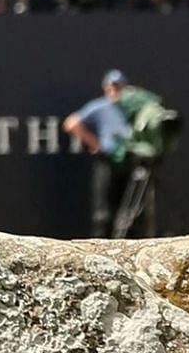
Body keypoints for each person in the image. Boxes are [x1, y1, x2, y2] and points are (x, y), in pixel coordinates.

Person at [65, 69, 179, 238]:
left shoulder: (136, 108)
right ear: (105, 88)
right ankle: (99, 249)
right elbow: (71, 123)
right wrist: (93, 143)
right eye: (111, 86)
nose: (114, 91)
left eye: (118, 87)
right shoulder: (100, 107)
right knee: (103, 214)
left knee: (131, 213)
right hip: (108, 162)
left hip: (131, 163)